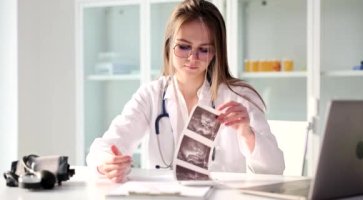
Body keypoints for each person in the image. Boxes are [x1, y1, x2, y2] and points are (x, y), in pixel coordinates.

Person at [86, 0, 285, 183]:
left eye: (204, 49)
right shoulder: (151, 95)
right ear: (169, 46)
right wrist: (107, 164)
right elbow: (103, 147)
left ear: (216, 53)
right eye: (183, 47)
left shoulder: (239, 97)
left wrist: (246, 132)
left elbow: (275, 169)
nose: (192, 58)